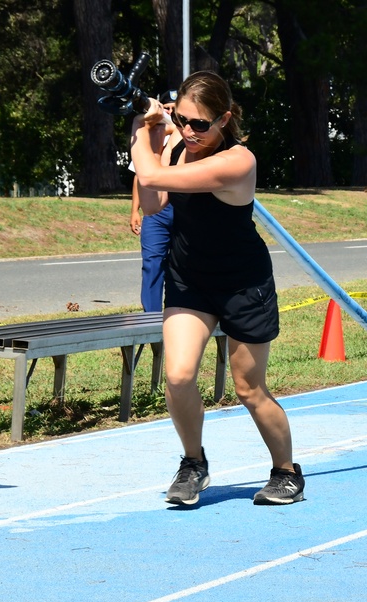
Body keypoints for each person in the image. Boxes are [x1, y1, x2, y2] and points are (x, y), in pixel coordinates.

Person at [130, 71, 304, 507]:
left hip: (243, 284)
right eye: (182, 120)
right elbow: (152, 202)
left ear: (224, 119)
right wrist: (156, 139)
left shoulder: (238, 161)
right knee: (178, 375)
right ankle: (193, 464)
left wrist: (138, 132)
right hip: (190, 280)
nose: (189, 131)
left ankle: (286, 472)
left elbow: (150, 180)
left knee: (249, 389)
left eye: (200, 124)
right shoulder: (177, 147)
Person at [128, 90, 177, 312]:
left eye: (174, 109)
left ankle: (178, 314)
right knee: (152, 263)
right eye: (165, 107)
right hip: (156, 213)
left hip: (181, 208)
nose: (168, 112)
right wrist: (134, 211)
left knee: (181, 266)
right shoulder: (148, 134)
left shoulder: (186, 136)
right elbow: (140, 175)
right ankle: (151, 317)